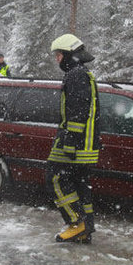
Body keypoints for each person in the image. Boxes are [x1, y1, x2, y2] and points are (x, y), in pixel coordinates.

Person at [47, 34, 100, 243]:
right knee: (80, 184)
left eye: (59, 55)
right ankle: (86, 226)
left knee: (55, 178)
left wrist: (69, 141)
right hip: (87, 144)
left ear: (69, 54)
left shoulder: (75, 75)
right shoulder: (84, 73)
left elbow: (77, 111)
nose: (57, 59)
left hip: (76, 143)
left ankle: (77, 223)